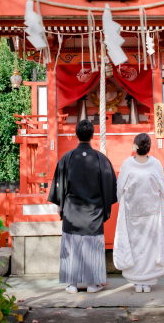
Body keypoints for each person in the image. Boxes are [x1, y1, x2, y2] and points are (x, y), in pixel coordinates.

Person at [48, 119, 117, 294]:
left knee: (72, 244)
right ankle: (93, 284)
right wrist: (105, 207)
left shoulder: (67, 158)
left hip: (72, 211)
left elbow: (59, 186)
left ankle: (72, 284)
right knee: (93, 245)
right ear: (92, 135)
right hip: (94, 212)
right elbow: (110, 186)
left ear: (76, 135)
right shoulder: (101, 159)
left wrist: (60, 205)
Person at [113, 133, 164, 293]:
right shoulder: (156, 164)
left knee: (134, 246)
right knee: (150, 246)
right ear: (149, 147)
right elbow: (163, 188)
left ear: (135, 146)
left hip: (133, 212)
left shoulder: (127, 164)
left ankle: (138, 281)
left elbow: (119, 189)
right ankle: (148, 281)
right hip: (151, 211)